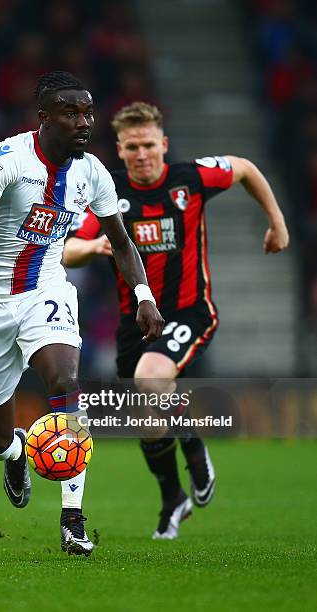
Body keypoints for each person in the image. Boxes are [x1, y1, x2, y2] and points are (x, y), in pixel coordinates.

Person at [0, 74, 163, 556]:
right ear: (44, 118)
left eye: (87, 113)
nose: (83, 122)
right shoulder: (8, 161)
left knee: (64, 384)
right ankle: (16, 452)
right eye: (70, 113)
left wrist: (144, 293)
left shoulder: (93, 173)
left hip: (44, 291)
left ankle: (73, 519)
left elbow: (121, 242)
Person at [63, 101, 289, 540]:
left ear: (163, 145)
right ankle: (173, 497)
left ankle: (195, 441)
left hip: (189, 310)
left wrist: (276, 221)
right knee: (147, 419)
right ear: (121, 150)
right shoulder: (111, 196)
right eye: (132, 147)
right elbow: (69, 247)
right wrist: (92, 249)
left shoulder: (191, 178)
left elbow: (243, 167)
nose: (142, 154)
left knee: (150, 380)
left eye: (149, 144)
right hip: (135, 325)